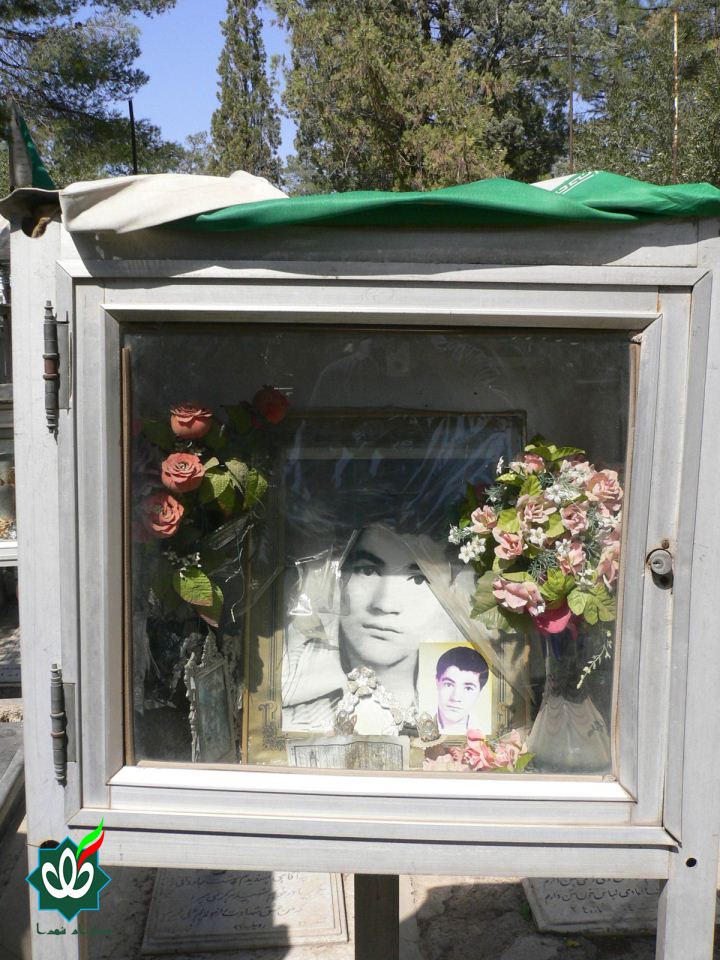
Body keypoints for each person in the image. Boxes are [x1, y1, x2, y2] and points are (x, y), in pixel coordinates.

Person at [282, 523, 465, 733]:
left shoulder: (461, 719)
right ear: (338, 578)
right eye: (367, 571)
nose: (385, 604)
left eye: (418, 579)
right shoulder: (290, 714)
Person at [435, 646, 489, 734]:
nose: (455, 698)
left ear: (480, 692)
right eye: (448, 684)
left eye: (468, 688)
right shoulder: (416, 726)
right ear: (437, 682)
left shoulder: (487, 733)